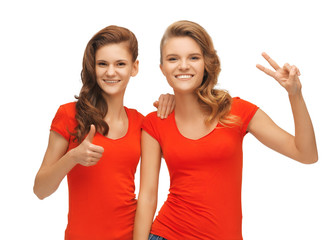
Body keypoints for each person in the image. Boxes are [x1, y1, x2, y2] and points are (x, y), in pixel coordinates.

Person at [133, 20, 318, 240]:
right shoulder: (156, 121)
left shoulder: (237, 111)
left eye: (193, 57)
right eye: (173, 59)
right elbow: (147, 196)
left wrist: (294, 94)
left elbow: (306, 154)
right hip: (168, 234)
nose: (183, 65)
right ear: (163, 68)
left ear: (207, 64)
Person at [33, 25, 174, 240]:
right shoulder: (69, 115)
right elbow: (40, 190)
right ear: (93, 67)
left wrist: (175, 102)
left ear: (134, 68)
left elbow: (183, 155)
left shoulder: (141, 122)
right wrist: (73, 157)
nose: (110, 72)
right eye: (102, 64)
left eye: (120, 64)